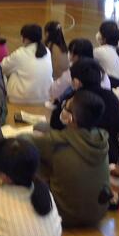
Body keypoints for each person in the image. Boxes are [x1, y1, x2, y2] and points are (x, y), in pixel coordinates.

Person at [31, 90, 111, 227]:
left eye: (66, 107)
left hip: (63, 215)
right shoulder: (102, 140)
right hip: (99, 213)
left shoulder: (56, 141)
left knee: (33, 159)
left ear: (71, 119)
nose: (63, 108)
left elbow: (23, 142)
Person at [48, 59, 119, 164]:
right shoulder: (112, 96)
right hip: (111, 154)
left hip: (82, 154)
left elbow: (55, 124)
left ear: (76, 82)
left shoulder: (75, 99)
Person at [0, 24, 53, 104]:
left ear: (25, 38)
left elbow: (2, 68)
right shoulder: (47, 52)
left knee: (7, 74)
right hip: (45, 96)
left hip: (21, 98)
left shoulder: (20, 53)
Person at [94, 21, 119, 89]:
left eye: (100, 33)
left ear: (104, 39)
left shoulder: (100, 51)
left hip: (114, 82)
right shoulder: (116, 49)